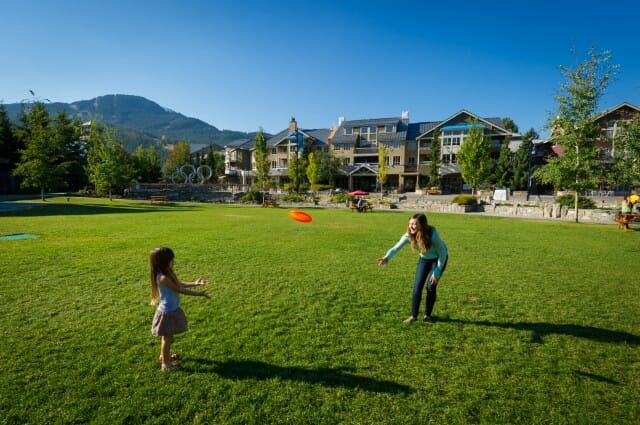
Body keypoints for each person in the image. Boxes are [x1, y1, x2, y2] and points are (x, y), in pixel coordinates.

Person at [377, 213, 448, 324]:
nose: (411, 226)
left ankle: (427, 315)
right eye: (410, 224)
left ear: (422, 225)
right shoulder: (408, 236)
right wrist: (387, 257)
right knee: (417, 287)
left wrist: (437, 271)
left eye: (415, 224)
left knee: (431, 286)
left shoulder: (432, 234)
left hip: (438, 259)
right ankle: (413, 316)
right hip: (424, 259)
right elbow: (395, 248)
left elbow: (442, 253)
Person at [149, 247, 211, 371]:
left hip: (171, 310)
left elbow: (179, 284)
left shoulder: (168, 274)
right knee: (167, 338)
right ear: (163, 262)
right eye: (171, 260)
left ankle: (164, 357)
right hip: (167, 313)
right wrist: (199, 294)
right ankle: (166, 365)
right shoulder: (163, 278)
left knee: (167, 337)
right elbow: (180, 290)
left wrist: (195, 283)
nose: (174, 262)